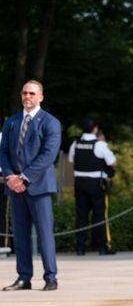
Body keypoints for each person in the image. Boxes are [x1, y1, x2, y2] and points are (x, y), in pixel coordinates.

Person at [0, 80, 61, 291]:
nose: (28, 97)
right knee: (20, 235)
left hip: (39, 187)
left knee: (45, 235)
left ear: (40, 97)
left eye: (32, 93)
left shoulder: (50, 122)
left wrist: (23, 178)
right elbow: (3, 151)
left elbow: (48, 155)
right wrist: (10, 176)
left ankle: (50, 277)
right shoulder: (12, 122)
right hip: (15, 188)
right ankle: (24, 277)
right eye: (25, 93)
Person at [68, 117, 117, 255]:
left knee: (81, 215)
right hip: (96, 184)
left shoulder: (75, 143)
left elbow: (72, 160)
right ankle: (102, 246)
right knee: (100, 215)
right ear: (95, 129)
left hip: (79, 182)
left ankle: (80, 247)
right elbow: (112, 162)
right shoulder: (100, 145)